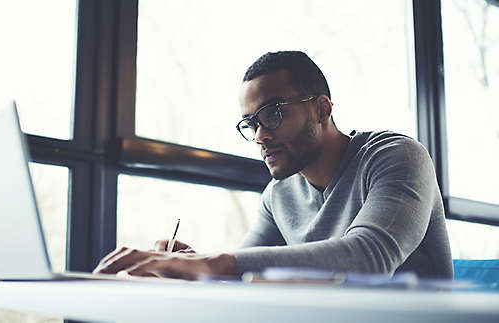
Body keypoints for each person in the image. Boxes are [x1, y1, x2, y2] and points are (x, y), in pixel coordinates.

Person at [93, 51, 453, 280]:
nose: (261, 135)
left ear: (322, 109)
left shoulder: (396, 156)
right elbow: (244, 269)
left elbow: (370, 256)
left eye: (274, 114)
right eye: (251, 123)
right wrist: (191, 266)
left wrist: (217, 263)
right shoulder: (278, 196)